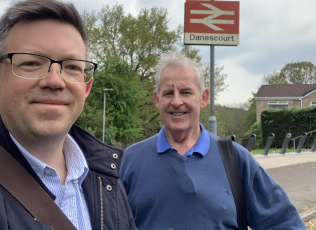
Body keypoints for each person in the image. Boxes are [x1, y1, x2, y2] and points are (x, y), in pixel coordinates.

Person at [0, 0, 136, 230]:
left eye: (72, 67)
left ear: (86, 87)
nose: (55, 81)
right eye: (32, 63)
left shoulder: (108, 179)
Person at [120, 53, 306, 230]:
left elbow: (287, 223)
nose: (176, 102)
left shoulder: (235, 159)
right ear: (157, 100)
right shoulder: (130, 161)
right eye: (168, 93)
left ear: (203, 98)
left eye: (185, 92)